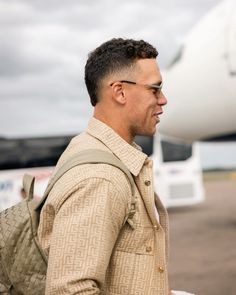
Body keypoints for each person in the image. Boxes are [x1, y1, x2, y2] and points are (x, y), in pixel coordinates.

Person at [38, 38, 170, 295]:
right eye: (154, 89)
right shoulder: (100, 177)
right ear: (119, 92)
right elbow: (69, 290)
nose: (163, 99)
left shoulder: (90, 149)